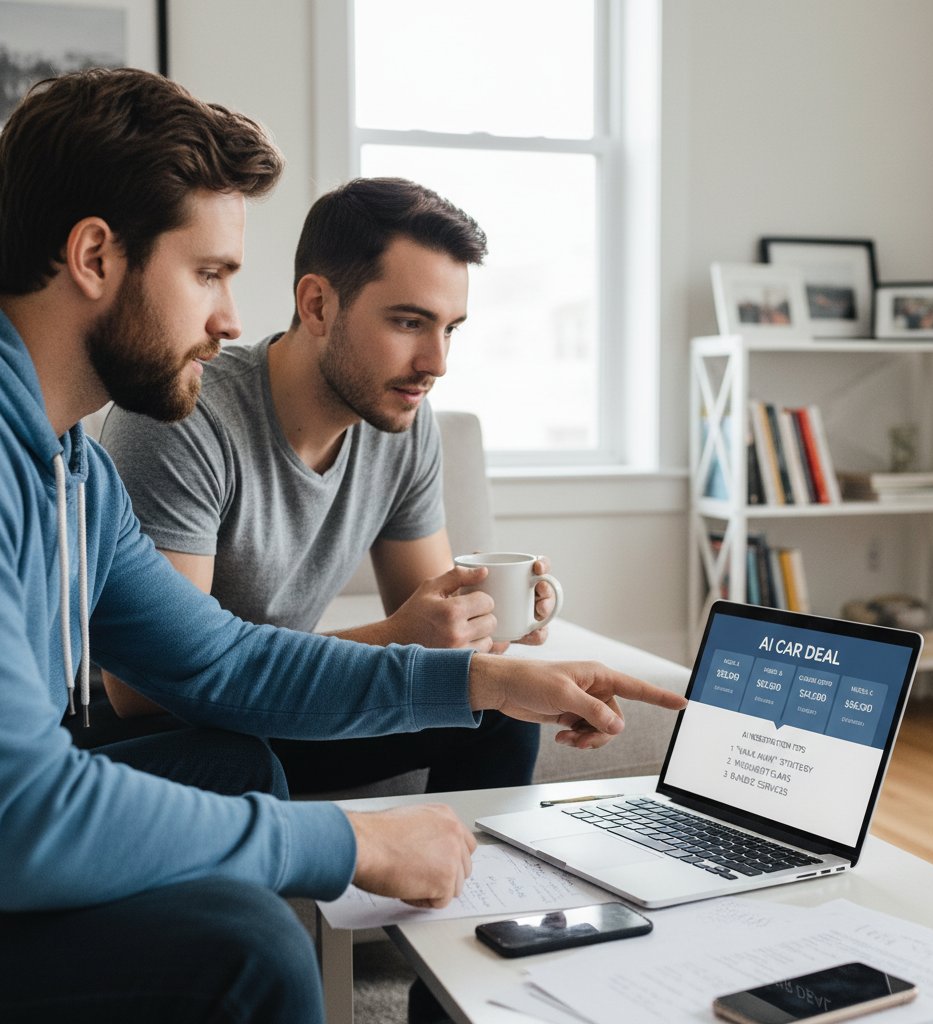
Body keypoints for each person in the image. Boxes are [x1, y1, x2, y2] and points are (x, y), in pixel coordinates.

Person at [0, 68, 685, 1024]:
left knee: (240, 772)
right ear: (94, 256)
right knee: (252, 953)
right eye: (208, 274)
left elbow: (221, 658)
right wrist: (345, 843)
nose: (231, 319)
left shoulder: (70, 466)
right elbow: (25, 811)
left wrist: (481, 682)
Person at [97, 178, 547, 796]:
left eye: (450, 329)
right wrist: (397, 640)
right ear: (317, 306)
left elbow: (434, 633)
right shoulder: (185, 415)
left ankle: (489, 890)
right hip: (153, 726)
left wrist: (496, 615)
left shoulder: (404, 424)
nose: (436, 362)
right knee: (228, 759)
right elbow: (149, 688)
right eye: (410, 322)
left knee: (498, 709)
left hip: (282, 709)